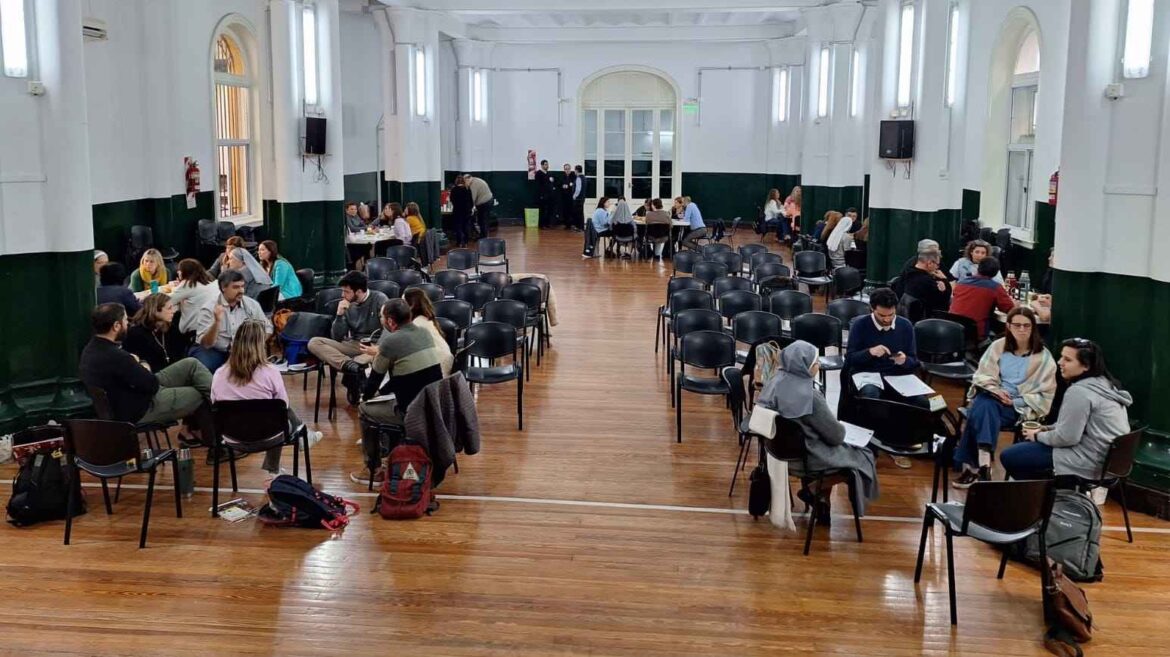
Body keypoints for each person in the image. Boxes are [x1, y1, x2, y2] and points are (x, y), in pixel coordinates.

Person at [758, 340, 880, 520]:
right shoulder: (810, 396)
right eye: (816, 362)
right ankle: (814, 489)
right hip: (807, 457)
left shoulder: (773, 383)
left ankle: (820, 500)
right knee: (865, 455)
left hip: (776, 453)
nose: (819, 365)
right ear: (804, 366)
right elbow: (836, 436)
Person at [79, 302, 214, 445]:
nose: (128, 324)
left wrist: (137, 364)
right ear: (116, 326)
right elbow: (152, 385)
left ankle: (221, 401)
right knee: (198, 393)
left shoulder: (90, 350)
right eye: (125, 320)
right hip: (140, 408)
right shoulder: (117, 356)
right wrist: (142, 365)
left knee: (191, 364)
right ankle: (217, 443)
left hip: (130, 396)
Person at [952, 307, 1056, 487]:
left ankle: (975, 468)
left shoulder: (1044, 357)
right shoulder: (998, 346)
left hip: (1019, 407)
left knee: (979, 409)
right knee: (986, 403)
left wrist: (1014, 401)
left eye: (1026, 325)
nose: (1022, 329)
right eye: (1017, 325)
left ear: (1033, 328)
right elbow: (982, 375)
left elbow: (1044, 393)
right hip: (995, 397)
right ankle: (983, 466)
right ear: (1008, 326)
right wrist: (996, 390)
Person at [1001, 339, 1132, 481]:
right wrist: (1046, 429)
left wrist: (1037, 436)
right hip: (1108, 461)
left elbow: (1067, 438)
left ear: (1086, 366)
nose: (1059, 362)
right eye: (1061, 356)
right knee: (1025, 451)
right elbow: (1074, 426)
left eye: (1067, 360)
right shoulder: (1104, 383)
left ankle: (1043, 495)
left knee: (1010, 457)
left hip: (1090, 461)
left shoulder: (1079, 392)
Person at [210, 319, 322, 476]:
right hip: (269, 437)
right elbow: (284, 405)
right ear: (260, 345)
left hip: (232, 438)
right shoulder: (270, 372)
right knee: (278, 414)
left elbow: (215, 404)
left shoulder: (219, 374)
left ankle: (301, 439)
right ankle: (275, 466)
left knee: (273, 414)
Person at [351, 298, 444, 484]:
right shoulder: (425, 333)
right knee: (385, 402)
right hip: (433, 406)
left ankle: (373, 469)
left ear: (391, 322)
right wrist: (382, 391)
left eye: (383, 317)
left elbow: (373, 382)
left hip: (412, 413)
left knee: (364, 409)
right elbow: (404, 374)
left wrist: (366, 397)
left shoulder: (390, 342)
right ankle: (392, 456)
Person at [306, 270, 389, 404]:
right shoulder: (345, 304)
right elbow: (337, 336)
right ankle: (349, 366)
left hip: (375, 344)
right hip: (354, 343)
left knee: (364, 358)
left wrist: (379, 348)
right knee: (314, 342)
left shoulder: (380, 299)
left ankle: (354, 375)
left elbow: (389, 329)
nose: (342, 295)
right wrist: (339, 315)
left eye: (346, 291)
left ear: (359, 291)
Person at [844, 287, 931, 409]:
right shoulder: (860, 325)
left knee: (926, 404)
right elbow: (850, 359)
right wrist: (870, 352)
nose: (887, 319)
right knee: (871, 397)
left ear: (895, 309)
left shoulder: (905, 326)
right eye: (881, 315)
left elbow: (914, 361)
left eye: (891, 314)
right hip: (868, 374)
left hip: (897, 375)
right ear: (872, 309)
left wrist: (904, 360)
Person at [188, 270, 271, 372]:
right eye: (236, 287)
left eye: (242, 286)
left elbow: (267, 328)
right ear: (223, 288)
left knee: (259, 369)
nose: (241, 291)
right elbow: (206, 344)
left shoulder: (252, 305)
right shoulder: (209, 308)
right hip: (215, 350)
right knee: (203, 366)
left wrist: (252, 345)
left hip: (243, 350)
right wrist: (217, 322)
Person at [949, 256, 1015, 339]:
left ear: (978, 268)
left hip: (952, 329)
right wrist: (1016, 304)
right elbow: (1010, 309)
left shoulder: (961, 283)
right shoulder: (995, 288)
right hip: (976, 332)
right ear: (996, 273)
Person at [123, 293, 186, 373]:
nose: (173, 311)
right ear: (156, 310)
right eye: (169, 308)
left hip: (175, 371)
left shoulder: (170, 328)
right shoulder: (136, 334)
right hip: (156, 375)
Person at [404, 288, 454, 377]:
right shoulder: (423, 319)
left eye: (403, 303)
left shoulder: (417, 324)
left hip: (438, 370)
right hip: (440, 364)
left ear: (411, 306)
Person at [167, 258, 219, 335]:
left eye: (179, 271)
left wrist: (178, 287)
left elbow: (167, 300)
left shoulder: (188, 285)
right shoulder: (214, 282)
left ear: (183, 272)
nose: (178, 272)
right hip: (213, 325)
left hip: (194, 330)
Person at [893, 249, 952, 316]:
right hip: (921, 319)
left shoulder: (907, 274)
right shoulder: (927, 282)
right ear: (929, 263)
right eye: (937, 264)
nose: (937, 267)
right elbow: (944, 300)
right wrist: (945, 280)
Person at [465, 173, 494, 239]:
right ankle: (483, 235)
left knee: (483, 220)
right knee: (482, 220)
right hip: (488, 200)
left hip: (485, 202)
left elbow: (472, 199)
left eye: (465, 182)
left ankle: (484, 237)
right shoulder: (475, 180)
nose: (465, 184)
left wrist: (468, 208)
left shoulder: (473, 185)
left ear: (468, 179)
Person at [449, 175, 474, 248]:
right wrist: (470, 208)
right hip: (467, 210)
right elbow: (471, 201)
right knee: (466, 226)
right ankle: (465, 241)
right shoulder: (467, 189)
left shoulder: (454, 190)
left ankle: (459, 241)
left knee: (458, 226)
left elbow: (452, 200)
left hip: (457, 210)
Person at [535, 160, 556, 228]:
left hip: (550, 195)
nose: (547, 166)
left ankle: (547, 224)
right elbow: (538, 185)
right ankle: (541, 225)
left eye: (547, 164)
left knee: (549, 210)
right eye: (545, 164)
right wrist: (541, 195)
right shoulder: (538, 173)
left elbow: (551, 183)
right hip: (543, 195)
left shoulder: (549, 173)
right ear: (542, 165)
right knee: (542, 210)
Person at [559, 163, 577, 230]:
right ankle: (567, 224)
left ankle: (572, 224)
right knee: (565, 211)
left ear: (570, 169)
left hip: (571, 197)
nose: (567, 170)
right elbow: (560, 184)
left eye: (568, 169)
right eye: (566, 169)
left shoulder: (574, 176)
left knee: (571, 210)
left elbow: (574, 185)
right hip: (564, 197)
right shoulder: (562, 176)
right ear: (564, 170)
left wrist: (569, 186)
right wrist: (562, 186)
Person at [571, 165, 586, 232]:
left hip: (578, 199)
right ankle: (581, 227)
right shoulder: (584, 178)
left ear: (576, 170)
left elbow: (578, 189)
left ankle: (579, 228)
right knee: (580, 213)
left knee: (578, 213)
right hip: (582, 198)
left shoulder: (578, 178)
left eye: (575, 170)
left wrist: (574, 196)